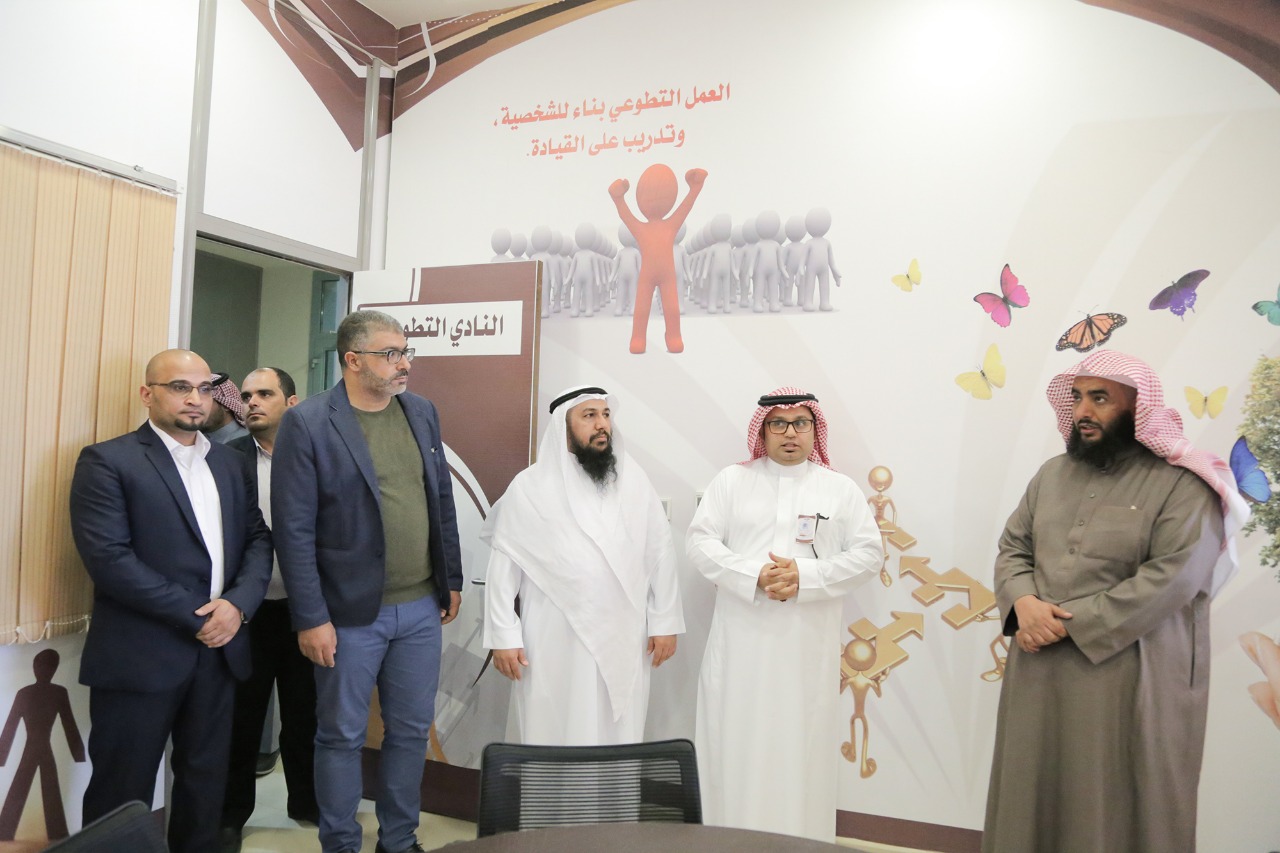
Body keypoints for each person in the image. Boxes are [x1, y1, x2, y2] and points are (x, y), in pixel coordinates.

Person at [983, 350, 1248, 853]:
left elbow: (1174, 577)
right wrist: (1023, 604)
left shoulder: (1183, 484)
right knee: (1029, 788)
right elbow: (1013, 547)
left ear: (1136, 407)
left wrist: (1067, 622)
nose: (1083, 411)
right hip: (1038, 668)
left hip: (1130, 674)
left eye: (1100, 399)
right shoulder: (1051, 475)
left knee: (1115, 797)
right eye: (1077, 397)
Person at [272, 310, 463, 853]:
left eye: (405, 352)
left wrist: (450, 576)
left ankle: (399, 840)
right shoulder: (308, 422)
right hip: (347, 614)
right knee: (341, 736)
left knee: (410, 731)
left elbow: (440, 498)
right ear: (353, 360)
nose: (404, 364)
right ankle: (340, 844)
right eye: (390, 354)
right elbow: (293, 529)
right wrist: (311, 617)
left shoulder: (420, 411)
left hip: (420, 607)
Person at [68, 349, 271, 853]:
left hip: (219, 654)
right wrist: (197, 616)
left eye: (204, 388)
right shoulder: (108, 461)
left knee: (206, 784)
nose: (195, 398)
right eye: (180, 387)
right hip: (141, 655)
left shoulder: (230, 463)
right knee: (122, 795)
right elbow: (110, 560)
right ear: (147, 394)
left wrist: (238, 605)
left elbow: (258, 540)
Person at [687, 386, 882, 841]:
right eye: (779, 423)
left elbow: (869, 555)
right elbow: (699, 543)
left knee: (801, 748)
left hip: (805, 650)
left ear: (815, 429)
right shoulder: (731, 482)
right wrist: (754, 574)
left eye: (800, 423)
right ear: (763, 431)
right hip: (741, 648)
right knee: (737, 742)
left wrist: (805, 578)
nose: (790, 433)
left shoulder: (840, 489)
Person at [482, 386, 684, 744]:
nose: (602, 424)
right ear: (563, 425)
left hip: (625, 632)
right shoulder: (530, 487)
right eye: (589, 416)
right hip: (553, 636)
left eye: (605, 415)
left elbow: (661, 552)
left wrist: (665, 621)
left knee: (618, 732)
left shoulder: (634, 481)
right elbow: (503, 568)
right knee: (554, 727)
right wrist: (503, 636)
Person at [220, 367, 314, 853]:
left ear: (292, 403)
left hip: (306, 610)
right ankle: (231, 817)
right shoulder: (225, 459)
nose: (251, 402)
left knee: (306, 714)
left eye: (264, 394)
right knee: (242, 719)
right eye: (247, 395)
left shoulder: (317, 455)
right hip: (247, 611)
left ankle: (307, 802)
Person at [203, 375, 250, 444]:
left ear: (226, 406)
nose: (198, 408)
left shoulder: (245, 442)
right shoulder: (197, 440)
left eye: (204, 402)